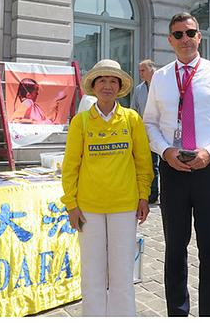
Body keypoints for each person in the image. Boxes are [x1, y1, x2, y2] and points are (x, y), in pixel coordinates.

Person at [143, 12, 210, 317]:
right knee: (175, 248)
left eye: (190, 33)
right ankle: (177, 312)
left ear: (199, 37)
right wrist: (164, 151)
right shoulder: (161, 78)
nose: (185, 39)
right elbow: (149, 123)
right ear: (170, 40)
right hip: (173, 169)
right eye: (178, 34)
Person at [61, 59, 152, 317]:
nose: (108, 85)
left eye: (113, 81)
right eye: (102, 80)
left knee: (123, 274)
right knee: (92, 273)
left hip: (124, 206)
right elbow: (71, 167)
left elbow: (143, 163)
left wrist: (143, 196)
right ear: (93, 86)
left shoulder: (132, 119)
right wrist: (71, 204)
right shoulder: (81, 122)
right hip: (89, 208)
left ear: (120, 86)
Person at [131, 59, 160, 203]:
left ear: (151, 70)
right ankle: (152, 194)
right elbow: (134, 110)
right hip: (146, 133)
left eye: (143, 70)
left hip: (164, 132)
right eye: (139, 70)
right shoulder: (138, 89)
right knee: (151, 164)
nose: (140, 73)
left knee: (166, 164)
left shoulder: (162, 86)